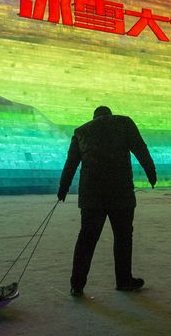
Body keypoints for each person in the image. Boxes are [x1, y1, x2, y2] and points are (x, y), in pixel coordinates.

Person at [58, 106, 157, 297]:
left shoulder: (81, 131)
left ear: (94, 117)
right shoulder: (124, 123)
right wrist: (151, 172)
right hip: (120, 193)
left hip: (91, 195)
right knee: (123, 237)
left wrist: (63, 188)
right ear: (109, 115)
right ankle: (124, 280)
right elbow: (140, 149)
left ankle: (77, 285)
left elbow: (71, 164)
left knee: (87, 239)